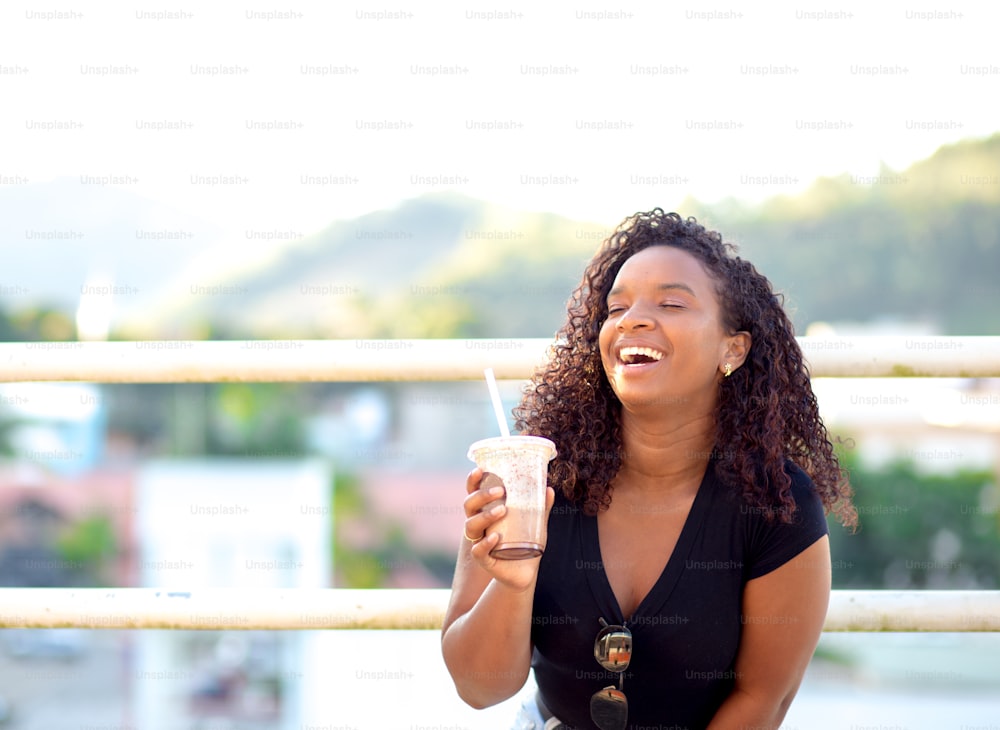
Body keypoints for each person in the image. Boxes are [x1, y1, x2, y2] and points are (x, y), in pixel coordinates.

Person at [441, 209, 857, 729]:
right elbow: (480, 688)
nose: (631, 319)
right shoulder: (529, 478)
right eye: (616, 308)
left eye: (671, 302)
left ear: (734, 347)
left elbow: (762, 701)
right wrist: (513, 583)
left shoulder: (776, 502)